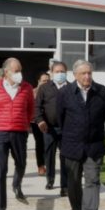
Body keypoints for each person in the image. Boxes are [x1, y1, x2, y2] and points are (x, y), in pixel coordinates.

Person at [57, 59, 105, 210]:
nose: (87, 76)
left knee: (93, 181)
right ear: (75, 75)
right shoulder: (65, 93)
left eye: (89, 73)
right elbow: (60, 118)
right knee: (73, 182)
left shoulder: (102, 92)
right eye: (83, 73)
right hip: (72, 145)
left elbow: (102, 116)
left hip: (94, 145)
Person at [0, 57, 35, 210]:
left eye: (21, 70)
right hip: (0, 133)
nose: (20, 74)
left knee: (21, 163)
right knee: (1, 171)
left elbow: (30, 109)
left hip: (20, 132)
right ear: (6, 72)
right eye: (16, 70)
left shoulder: (27, 88)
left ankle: (16, 184)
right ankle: (1, 209)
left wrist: (24, 124)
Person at [35, 60, 69, 195]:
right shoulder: (44, 88)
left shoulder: (72, 88)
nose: (60, 74)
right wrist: (40, 120)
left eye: (62, 72)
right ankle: (50, 180)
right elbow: (37, 107)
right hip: (49, 129)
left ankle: (64, 186)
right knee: (49, 155)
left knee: (65, 157)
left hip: (67, 129)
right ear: (52, 73)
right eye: (57, 72)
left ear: (66, 73)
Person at [30, 73, 50, 176]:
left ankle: (48, 164)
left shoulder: (51, 91)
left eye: (47, 81)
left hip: (49, 122)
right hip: (35, 122)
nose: (45, 82)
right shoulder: (32, 92)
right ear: (38, 81)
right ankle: (41, 166)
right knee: (40, 143)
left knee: (48, 144)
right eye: (43, 80)